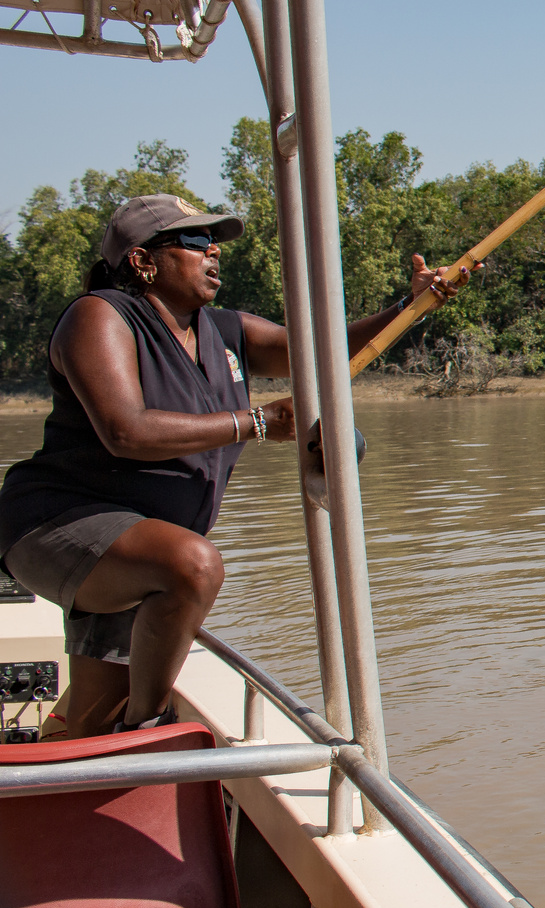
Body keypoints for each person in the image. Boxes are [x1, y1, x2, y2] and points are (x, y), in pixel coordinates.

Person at [0, 193, 470, 738]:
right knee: (195, 568)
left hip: (145, 546)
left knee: (92, 712)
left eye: (215, 243)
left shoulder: (223, 331)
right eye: (196, 242)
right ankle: (149, 731)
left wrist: (411, 306)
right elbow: (126, 430)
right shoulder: (100, 315)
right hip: (61, 525)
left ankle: (73, 773)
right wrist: (258, 422)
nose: (213, 254)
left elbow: (319, 352)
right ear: (142, 260)